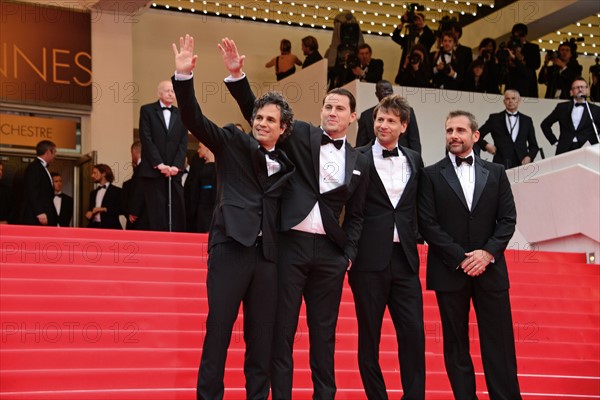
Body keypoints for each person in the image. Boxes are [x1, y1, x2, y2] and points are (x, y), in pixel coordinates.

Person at [221, 37, 370, 400]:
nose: (332, 112)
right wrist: (237, 77)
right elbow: (257, 115)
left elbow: (359, 214)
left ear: (353, 117)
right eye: (327, 106)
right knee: (281, 333)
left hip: (331, 257)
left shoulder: (360, 161)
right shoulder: (300, 134)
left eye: (339, 108)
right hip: (290, 248)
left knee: (324, 335)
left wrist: (347, 253)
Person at [172, 34, 296, 400]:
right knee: (219, 331)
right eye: (258, 116)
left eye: (269, 119)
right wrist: (183, 78)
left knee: (261, 339)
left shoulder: (289, 163)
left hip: (269, 258)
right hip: (230, 249)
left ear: (282, 128)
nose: (261, 123)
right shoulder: (232, 142)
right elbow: (193, 118)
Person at [418, 110, 521, 400]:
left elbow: (508, 219)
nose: (453, 135)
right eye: (449, 130)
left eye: (460, 130)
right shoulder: (430, 174)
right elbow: (428, 224)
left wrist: (487, 254)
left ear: (475, 136)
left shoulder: (497, 172)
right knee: (456, 345)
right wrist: (462, 258)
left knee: (499, 343)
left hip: (491, 270)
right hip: (450, 271)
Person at [351, 95, 425, 399]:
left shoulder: (414, 159)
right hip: (368, 262)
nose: (383, 125)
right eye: (380, 119)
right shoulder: (357, 157)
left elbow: (420, 207)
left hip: (405, 261)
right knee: (370, 338)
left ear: (403, 126)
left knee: (413, 335)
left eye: (391, 120)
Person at [138, 80, 188, 232]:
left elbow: (183, 142)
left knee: (176, 210)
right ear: (159, 93)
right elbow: (146, 139)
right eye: (168, 91)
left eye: (173, 91)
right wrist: (159, 164)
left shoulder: (181, 114)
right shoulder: (147, 110)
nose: (171, 94)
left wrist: (176, 166)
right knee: (156, 211)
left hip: (174, 171)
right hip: (154, 171)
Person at [356, 80, 422, 154]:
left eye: (389, 90)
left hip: (403, 159)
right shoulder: (366, 116)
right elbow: (361, 145)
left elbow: (414, 140)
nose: (387, 92)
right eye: (383, 90)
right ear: (376, 94)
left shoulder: (407, 111)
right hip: (373, 161)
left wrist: (415, 161)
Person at [478, 90, 539, 169]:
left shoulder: (527, 120)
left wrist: (529, 157)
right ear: (504, 101)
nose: (510, 101)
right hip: (501, 162)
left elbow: (534, 146)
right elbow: (476, 135)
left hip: (522, 163)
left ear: (519, 101)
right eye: (507, 99)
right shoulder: (495, 119)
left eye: (513, 98)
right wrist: (486, 145)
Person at [541, 77, 600, 155]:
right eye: (577, 87)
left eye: (582, 87)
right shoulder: (562, 107)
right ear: (571, 92)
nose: (580, 89)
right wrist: (555, 142)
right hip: (565, 148)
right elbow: (545, 124)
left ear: (587, 90)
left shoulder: (595, 109)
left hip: (587, 149)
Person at [20, 140, 58, 226]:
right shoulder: (34, 167)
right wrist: (40, 212)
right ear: (48, 152)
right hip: (38, 217)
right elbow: (32, 191)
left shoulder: (40, 167)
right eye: (54, 152)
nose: (55, 155)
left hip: (45, 215)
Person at [391, 10, 435, 85]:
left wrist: (423, 24)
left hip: (421, 71)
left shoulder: (427, 37)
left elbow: (432, 38)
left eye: (419, 20)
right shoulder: (409, 38)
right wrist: (402, 22)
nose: (417, 22)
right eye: (415, 20)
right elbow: (395, 37)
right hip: (407, 70)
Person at [184, 142, 217, 233]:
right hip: (200, 206)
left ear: (207, 147)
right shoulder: (197, 161)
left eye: (200, 147)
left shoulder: (220, 162)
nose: (198, 150)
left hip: (213, 206)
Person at [85, 164, 122, 229]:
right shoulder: (93, 193)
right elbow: (91, 210)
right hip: (94, 228)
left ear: (103, 174)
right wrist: (89, 213)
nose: (92, 175)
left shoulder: (117, 191)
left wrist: (104, 209)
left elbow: (121, 210)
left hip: (111, 229)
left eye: (95, 173)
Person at [122, 141, 148, 230]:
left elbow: (140, 190)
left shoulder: (142, 167)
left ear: (134, 151)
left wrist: (134, 212)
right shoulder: (148, 167)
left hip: (141, 218)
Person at [511, 23, 541, 97]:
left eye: (521, 35)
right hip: (513, 82)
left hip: (529, 84)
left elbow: (536, 64)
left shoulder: (533, 47)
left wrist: (523, 59)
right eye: (516, 36)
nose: (518, 38)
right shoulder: (510, 46)